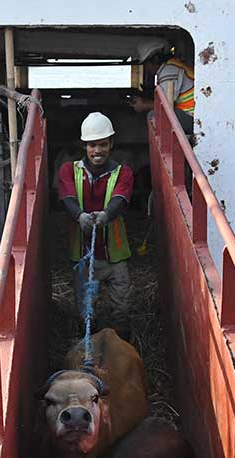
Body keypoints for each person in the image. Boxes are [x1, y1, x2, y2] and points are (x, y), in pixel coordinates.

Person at [57, 112, 135, 341]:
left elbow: (120, 199)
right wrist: (79, 216)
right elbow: (67, 198)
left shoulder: (123, 172)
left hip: (115, 257)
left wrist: (106, 215)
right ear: (84, 146)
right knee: (86, 315)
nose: (97, 150)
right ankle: (89, 358)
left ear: (111, 143)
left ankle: (123, 352)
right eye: (92, 145)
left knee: (121, 310)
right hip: (83, 256)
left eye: (102, 144)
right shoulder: (69, 170)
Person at [129, 40, 195, 137]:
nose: (146, 68)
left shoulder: (169, 71)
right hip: (190, 115)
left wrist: (144, 105)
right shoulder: (171, 67)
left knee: (154, 116)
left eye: (146, 64)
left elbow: (166, 105)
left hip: (192, 117)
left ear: (155, 59)